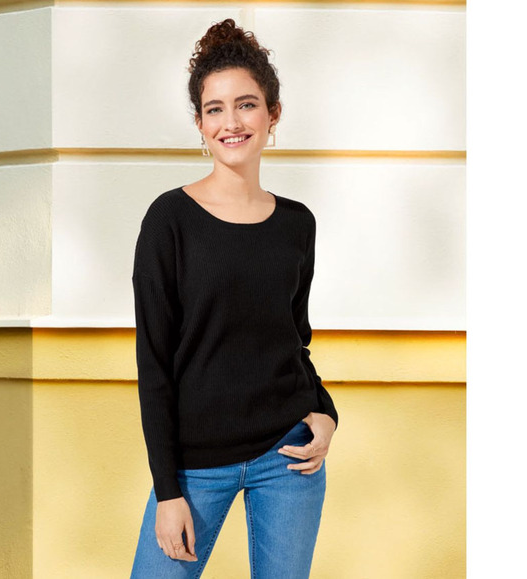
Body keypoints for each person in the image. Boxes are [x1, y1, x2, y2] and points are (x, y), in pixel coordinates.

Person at [129, 18, 338, 578]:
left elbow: (294, 340)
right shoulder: (169, 220)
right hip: (195, 467)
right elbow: (154, 364)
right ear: (200, 124)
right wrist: (167, 490)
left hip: (289, 458)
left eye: (246, 105)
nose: (232, 122)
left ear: (273, 114)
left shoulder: (297, 224)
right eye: (215, 109)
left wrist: (326, 412)